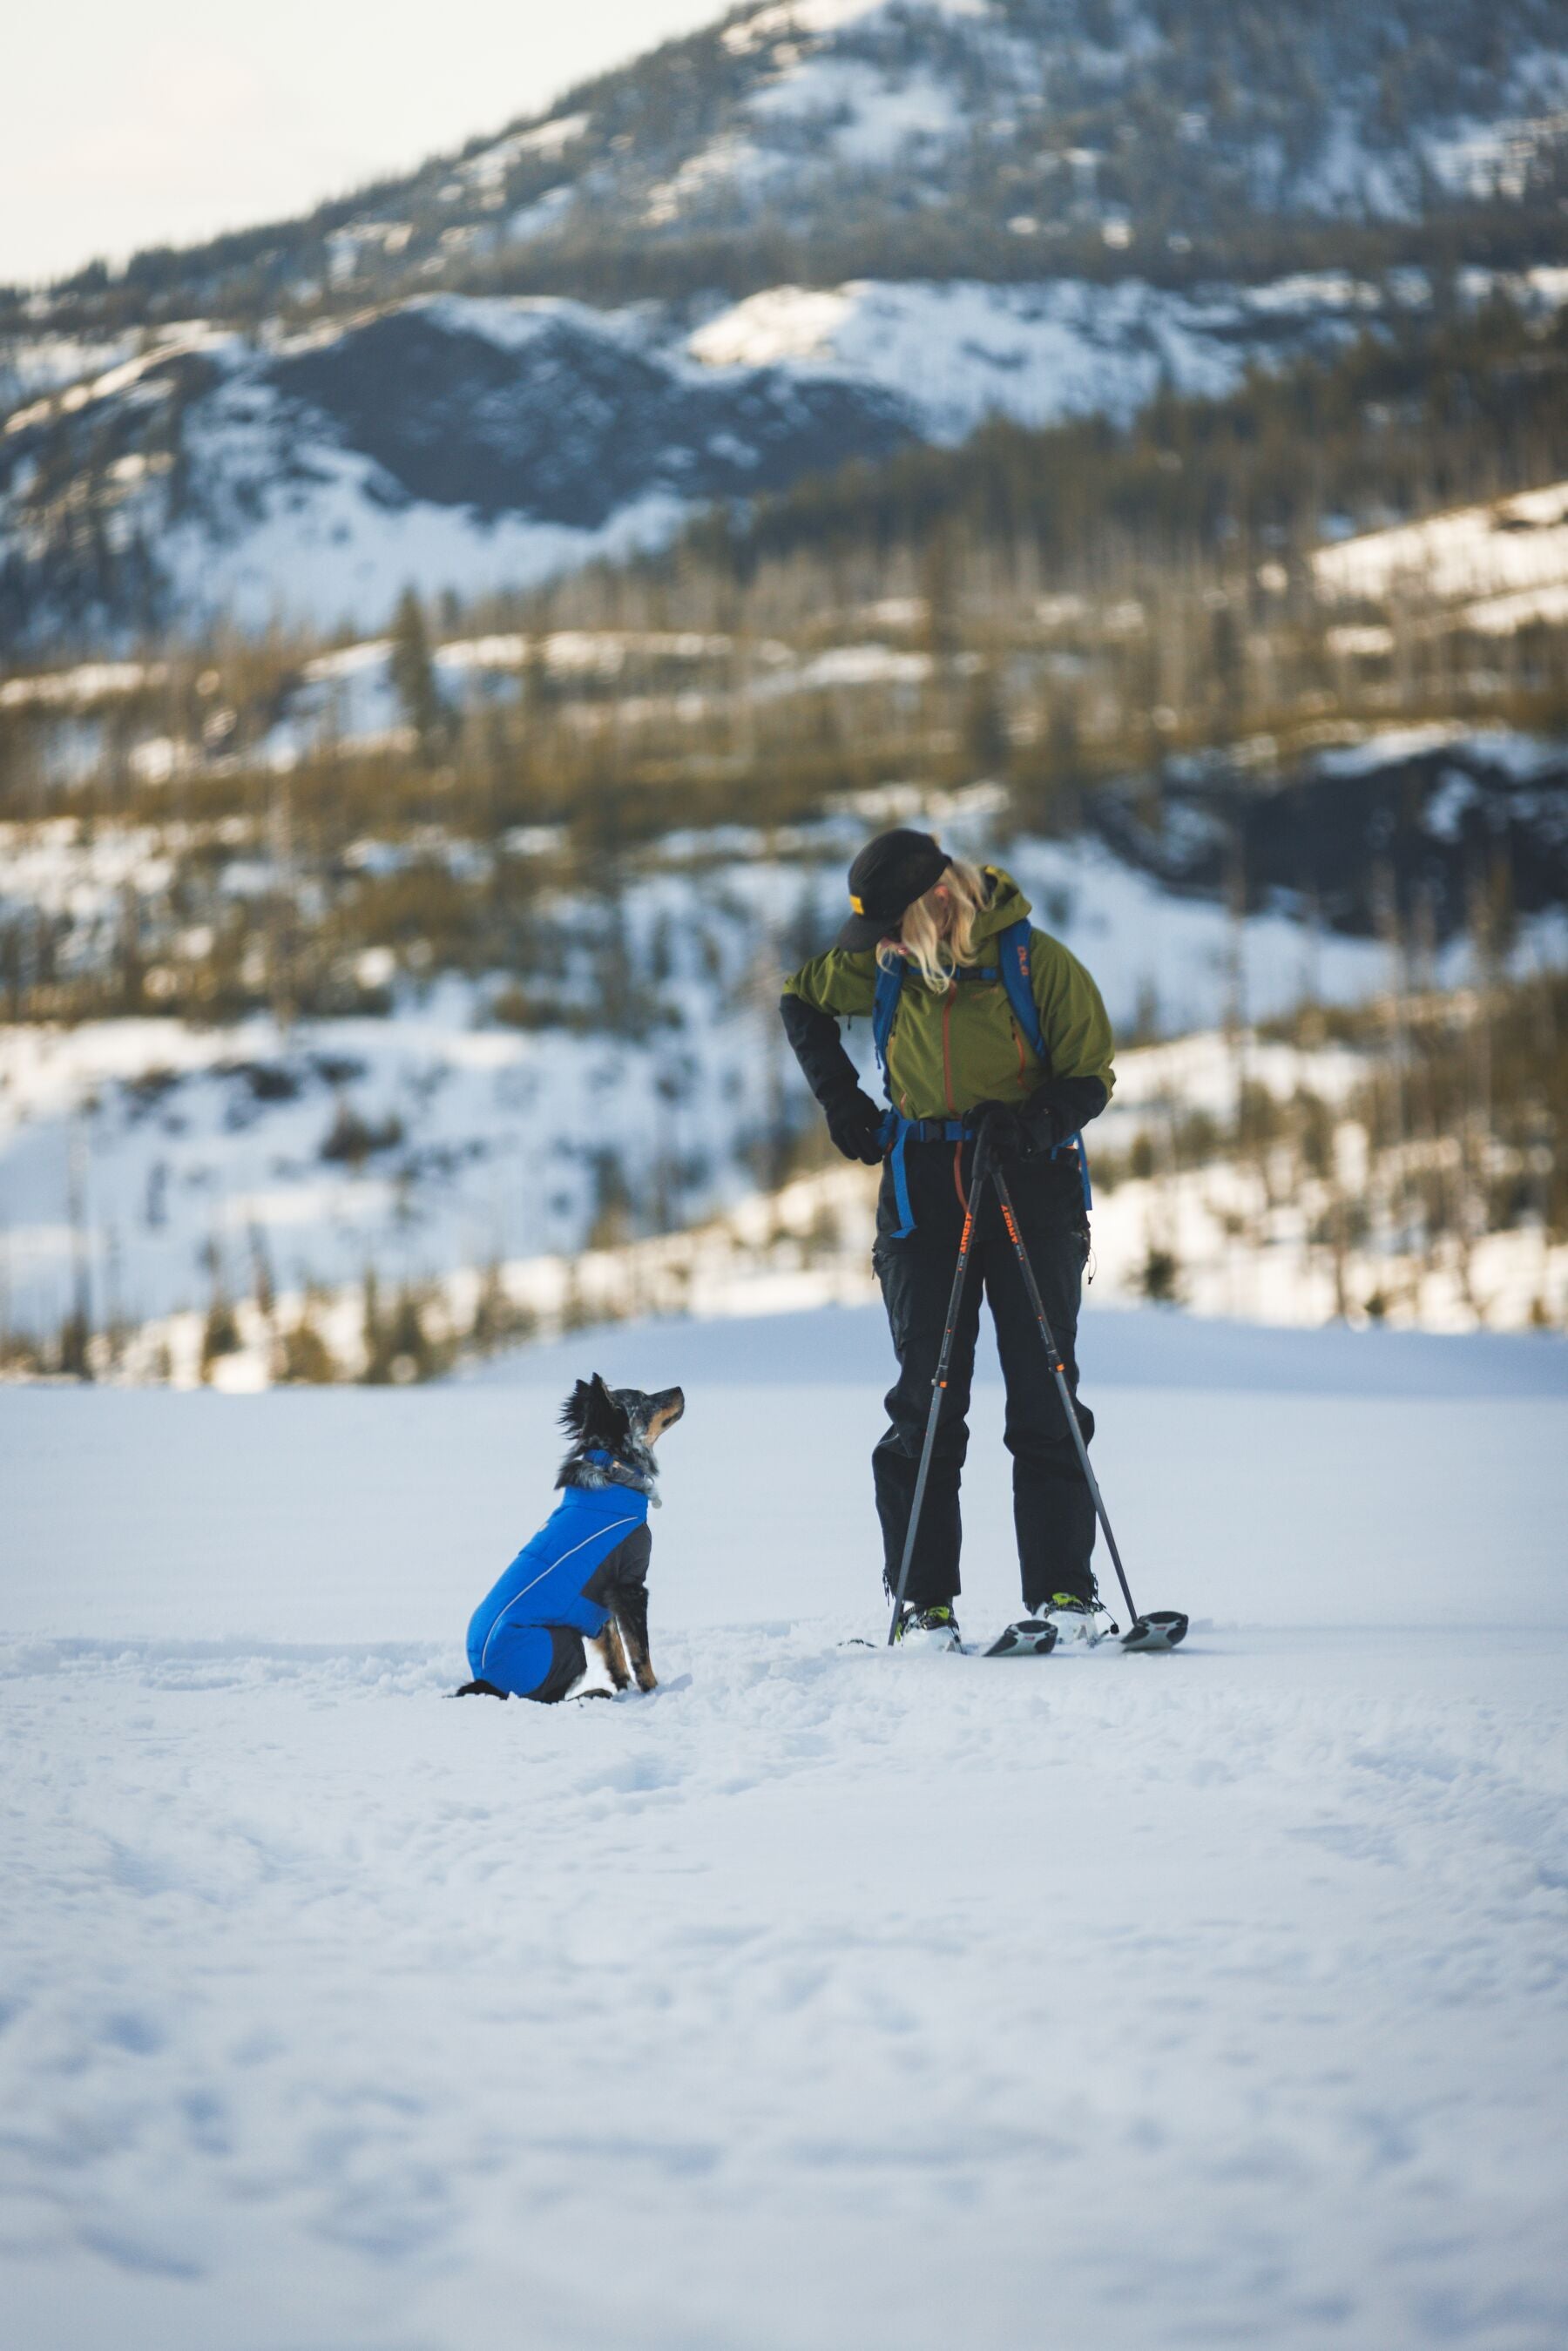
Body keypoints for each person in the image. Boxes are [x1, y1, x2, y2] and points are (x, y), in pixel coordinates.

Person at [780, 828, 1115, 1649]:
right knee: (926, 1404)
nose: (881, 947)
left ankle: (1066, 1598)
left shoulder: (1040, 965)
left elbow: (1090, 1074)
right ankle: (923, 1604)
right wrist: (843, 1102)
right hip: (921, 1193)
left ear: (938, 902)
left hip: (1027, 1187)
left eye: (891, 927)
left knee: (1045, 1397)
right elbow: (801, 1000)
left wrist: (1033, 1123)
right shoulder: (884, 964)